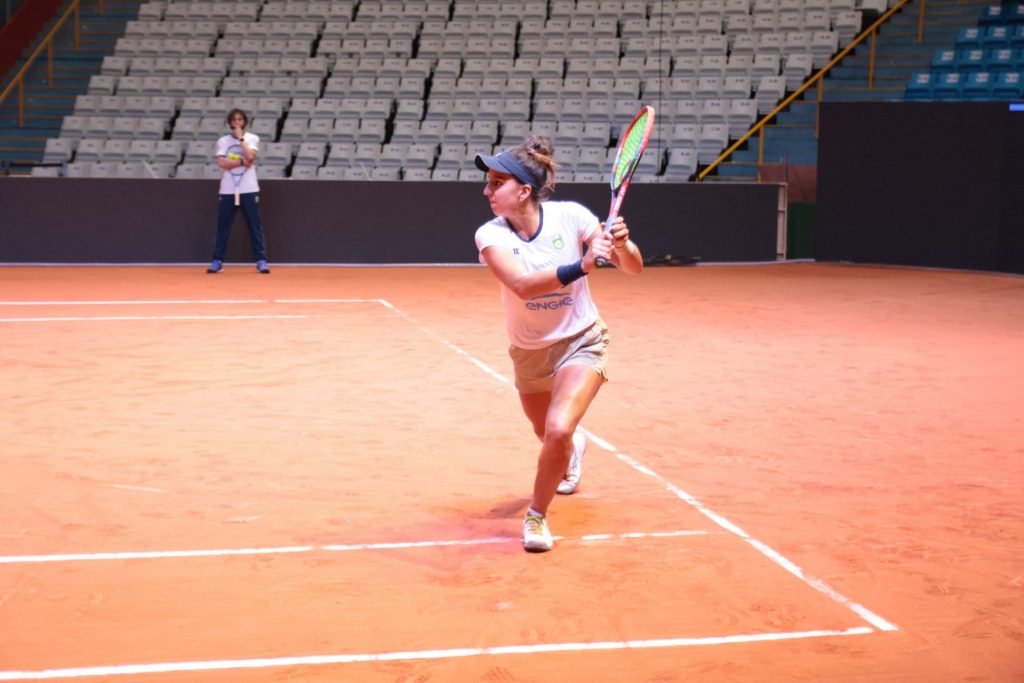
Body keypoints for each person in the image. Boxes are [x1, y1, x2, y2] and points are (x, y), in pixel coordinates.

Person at [473, 136, 644, 552]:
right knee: (544, 431)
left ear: (524, 190)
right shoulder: (489, 235)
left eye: (497, 183)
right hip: (529, 350)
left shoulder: (570, 216)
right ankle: (571, 449)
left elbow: (634, 268)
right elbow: (521, 286)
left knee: (558, 426)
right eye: (489, 182)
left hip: (581, 339)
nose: (487, 190)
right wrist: (583, 264)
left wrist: (620, 245)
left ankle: (536, 517)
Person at [207, 108, 270, 274]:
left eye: (240, 120)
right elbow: (222, 163)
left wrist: (241, 139)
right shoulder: (223, 141)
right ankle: (217, 260)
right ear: (230, 123)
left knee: (254, 226)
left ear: (244, 122)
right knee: (223, 226)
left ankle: (261, 260)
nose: (237, 123)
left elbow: (251, 157)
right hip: (227, 190)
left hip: (249, 189)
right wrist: (242, 162)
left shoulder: (252, 138)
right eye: (234, 120)